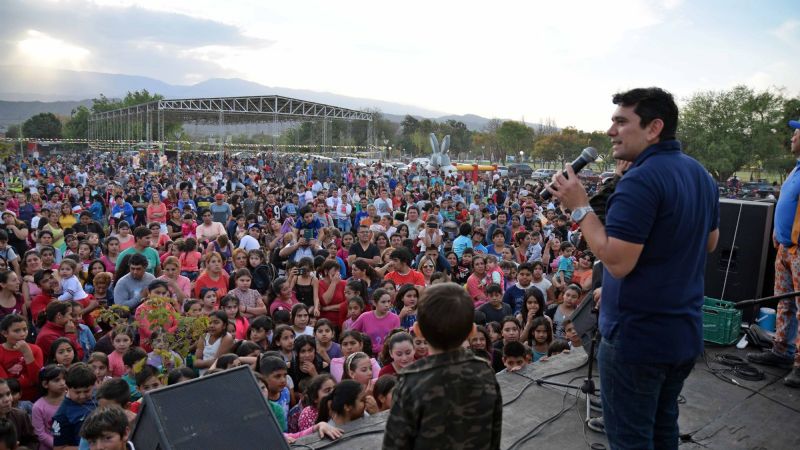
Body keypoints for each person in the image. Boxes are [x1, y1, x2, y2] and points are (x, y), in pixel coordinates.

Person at [547, 87, 719, 448]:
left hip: (638, 339)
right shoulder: (699, 173)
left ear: (653, 128)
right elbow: (709, 242)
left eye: (621, 122)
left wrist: (579, 206)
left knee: (631, 440)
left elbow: (619, 262)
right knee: (662, 430)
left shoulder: (640, 180)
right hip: (683, 331)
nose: (611, 131)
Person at [383, 282, 502, 449]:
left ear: (417, 330)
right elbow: (494, 439)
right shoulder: (485, 372)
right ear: (473, 331)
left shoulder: (411, 382)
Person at [747, 118, 800, 387]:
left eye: (796, 133)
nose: (792, 137)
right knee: (785, 302)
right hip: (785, 249)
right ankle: (782, 351)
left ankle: (799, 365)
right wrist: (778, 233)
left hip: (798, 250)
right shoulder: (796, 169)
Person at [52, 363, 97, 450]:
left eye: (87, 391)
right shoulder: (61, 416)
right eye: (77, 392)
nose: (82, 396)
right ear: (67, 387)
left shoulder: (98, 396)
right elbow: (59, 448)